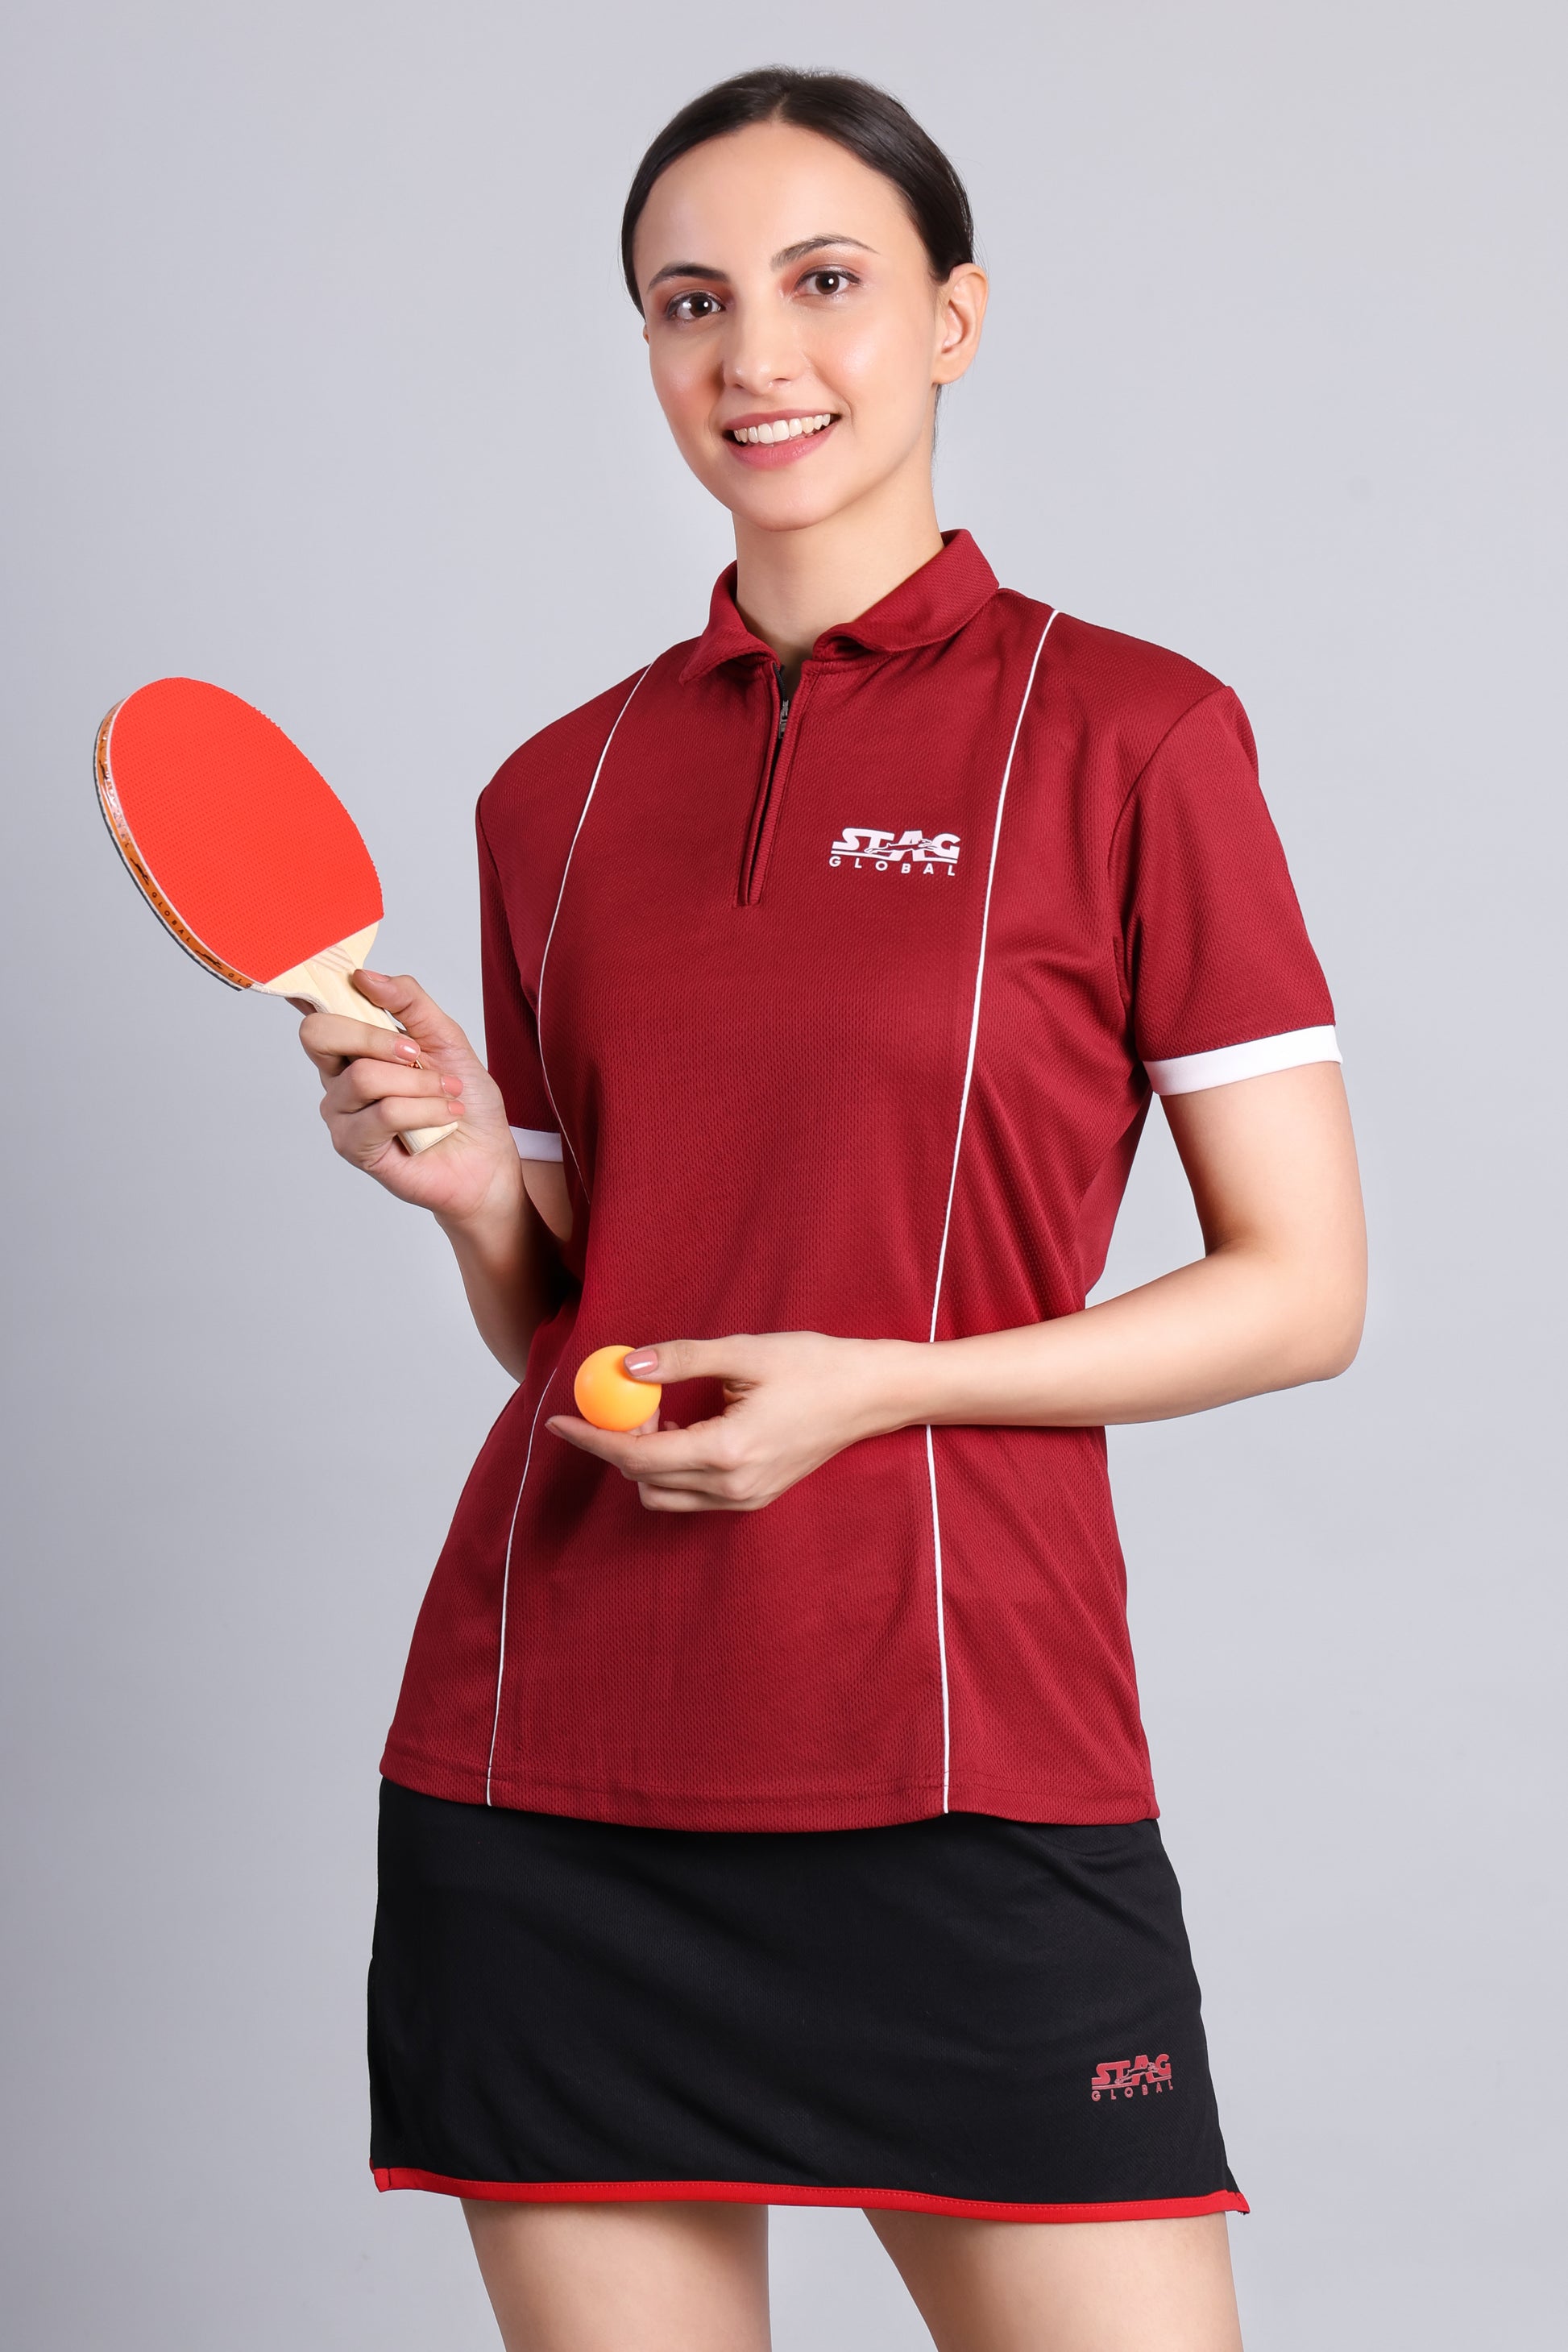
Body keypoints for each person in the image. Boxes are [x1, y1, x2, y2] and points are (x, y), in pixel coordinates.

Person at [298, 66, 1366, 2352]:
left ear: (952, 319)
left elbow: (1303, 1294)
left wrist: (880, 1391)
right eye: (690, 302)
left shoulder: (1133, 736)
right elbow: (590, 1333)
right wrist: (475, 1199)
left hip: (964, 1762)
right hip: (552, 1782)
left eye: (823, 282)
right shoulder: (553, 793)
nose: (754, 354)